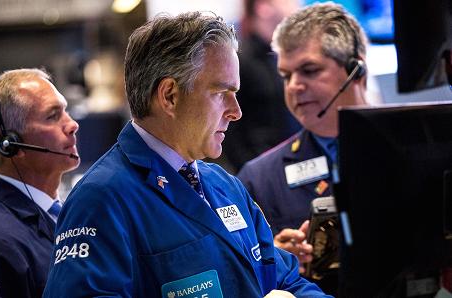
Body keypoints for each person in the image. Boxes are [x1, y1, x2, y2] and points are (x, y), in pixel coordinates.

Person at [43, 12, 330, 298]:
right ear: (169, 96)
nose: (236, 111)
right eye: (221, 93)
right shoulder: (101, 200)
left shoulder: (225, 185)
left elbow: (288, 281)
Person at [237, 2, 369, 295]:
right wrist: (273, 262)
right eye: (286, 75)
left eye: (309, 70)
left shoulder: (418, 145)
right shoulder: (259, 178)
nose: (294, 86)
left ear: (356, 69)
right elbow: (243, 279)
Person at [0, 68, 80, 298]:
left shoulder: (66, 214)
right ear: (11, 144)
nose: (72, 125)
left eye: (65, 111)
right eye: (52, 116)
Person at [222, 0, 302, 173]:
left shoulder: (279, 57)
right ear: (263, 8)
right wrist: (252, 173)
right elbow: (229, 129)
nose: (296, 4)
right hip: (262, 170)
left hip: (290, 165)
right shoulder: (240, 60)